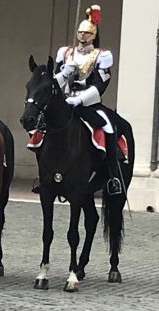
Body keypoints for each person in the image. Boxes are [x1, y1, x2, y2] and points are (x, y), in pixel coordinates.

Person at [54, 4, 122, 195]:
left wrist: (80, 99)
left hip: (88, 103)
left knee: (108, 126)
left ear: (94, 34)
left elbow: (101, 84)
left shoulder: (102, 56)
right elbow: (53, 83)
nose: (83, 36)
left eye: (87, 33)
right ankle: (45, 174)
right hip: (65, 100)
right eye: (80, 32)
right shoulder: (66, 53)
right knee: (41, 126)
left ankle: (112, 174)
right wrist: (64, 73)